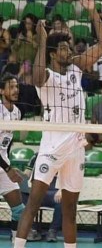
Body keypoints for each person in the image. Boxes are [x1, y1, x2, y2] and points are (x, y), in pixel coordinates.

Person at [14, 0, 102, 248]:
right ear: (55, 53)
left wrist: (93, 12)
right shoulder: (45, 76)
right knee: (32, 205)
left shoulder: (76, 68)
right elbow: (34, 76)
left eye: (70, 48)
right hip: (52, 146)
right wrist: (43, 39)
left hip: (75, 149)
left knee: (70, 208)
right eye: (66, 49)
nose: (71, 51)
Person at [0, 74, 26, 242]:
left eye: (17, 86)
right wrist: (8, 169)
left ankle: (16, 243)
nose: (16, 90)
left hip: (3, 166)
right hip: (5, 168)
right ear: (1, 91)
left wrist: (7, 165)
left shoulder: (17, 112)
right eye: (11, 87)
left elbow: (7, 143)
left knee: (20, 210)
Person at [20, 153, 63, 243]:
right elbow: (26, 175)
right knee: (23, 194)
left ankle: (52, 231)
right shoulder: (36, 156)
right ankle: (32, 230)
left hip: (54, 191)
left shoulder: (63, 156)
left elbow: (68, 178)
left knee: (63, 200)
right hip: (37, 190)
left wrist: (61, 190)